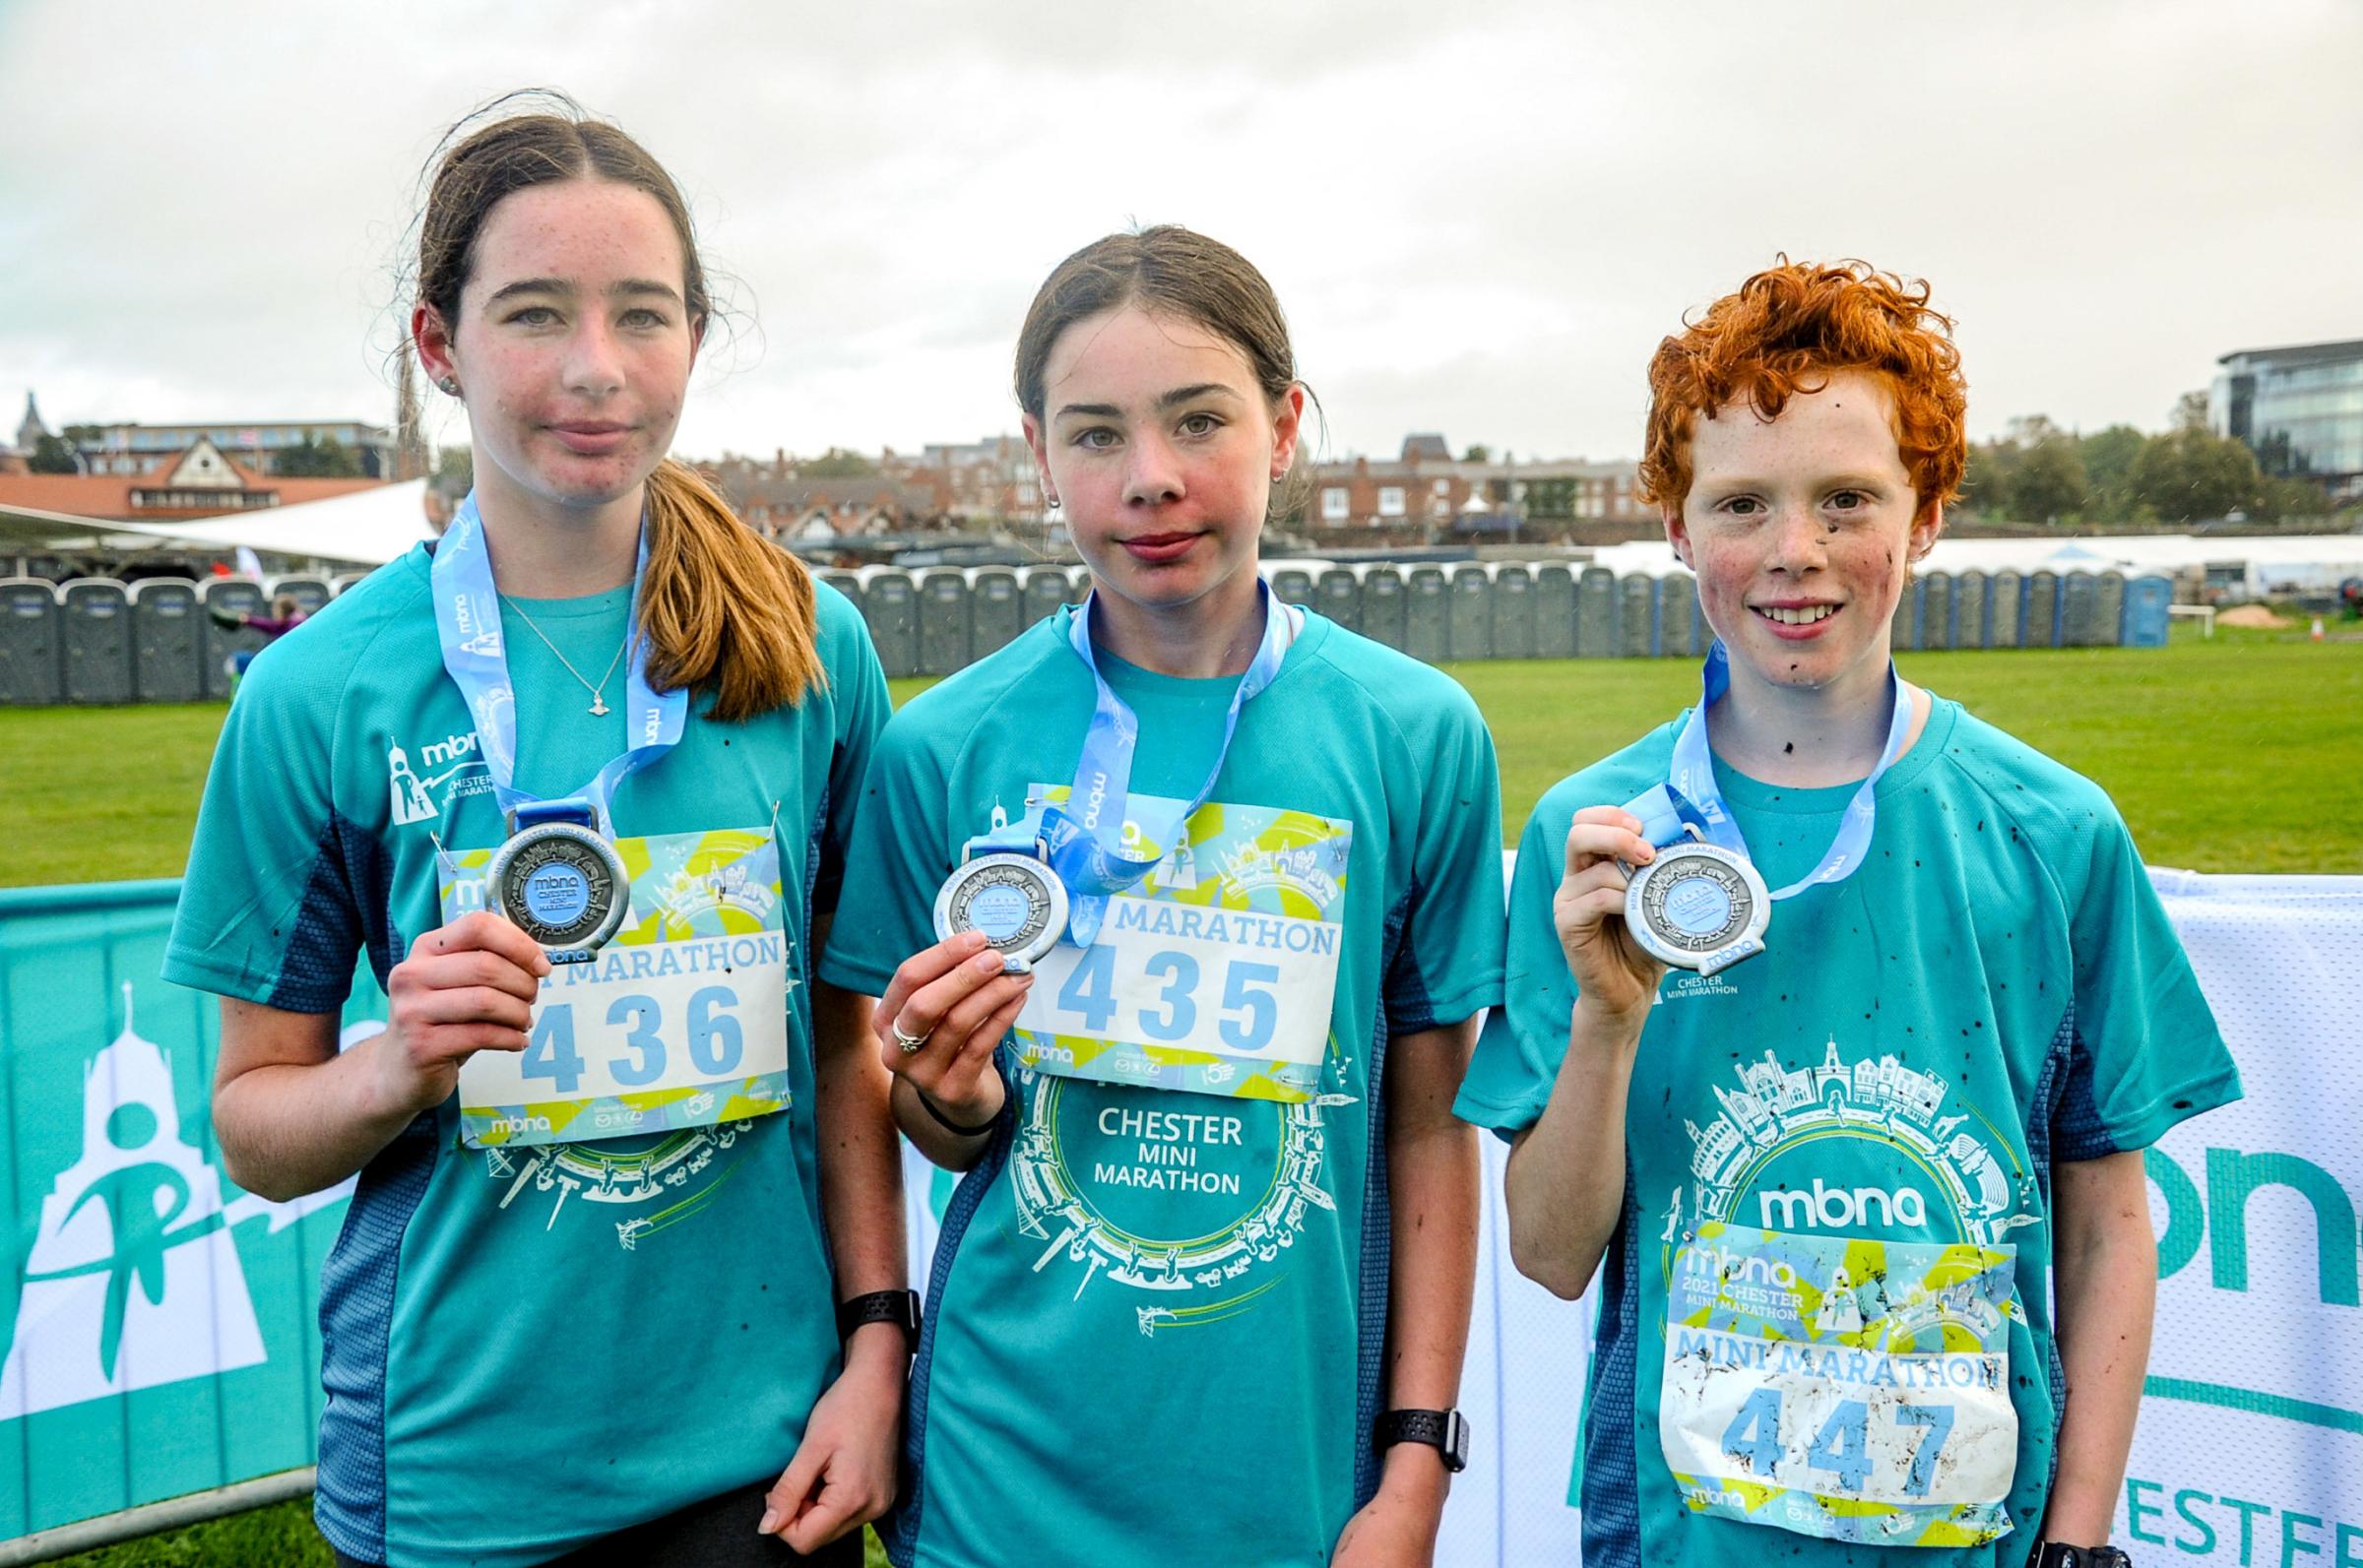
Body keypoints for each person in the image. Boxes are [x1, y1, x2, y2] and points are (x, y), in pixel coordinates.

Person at [165, 100, 905, 1568]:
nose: (596, 368)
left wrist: (878, 1346)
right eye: (533, 315)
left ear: (695, 335)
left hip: (762, 1456)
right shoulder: (321, 690)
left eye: (643, 315)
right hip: (463, 1470)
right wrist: (397, 1061)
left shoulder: (811, 646)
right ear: (439, 345)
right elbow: (255, 1124)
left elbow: (841, 1043)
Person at [1456, 260, 2243, 1568]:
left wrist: (2083, 1539)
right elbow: (1547, 1253)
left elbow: (2108, 1217)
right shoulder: (1597, 838)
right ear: (1677, 528)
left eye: (1846, 499)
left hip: (1981, 1539)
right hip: (1678, 1535)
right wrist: (1605, 1021)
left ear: (1927, 515)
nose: (1793, 551)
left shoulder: (2051, 834)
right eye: (1743, 502)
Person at [818, 225, 1505, 1568]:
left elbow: (1429, 1128)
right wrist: (948, 1097)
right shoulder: (943, 745)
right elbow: (925, 1113)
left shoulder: (1414, 734)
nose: (1151, 478)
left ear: (1287, 424)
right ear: (1036, 452)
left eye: (1199, 419)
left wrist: (1417, 1459)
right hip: (1002, 1475)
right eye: (1094, 434)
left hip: (1292, 1486)